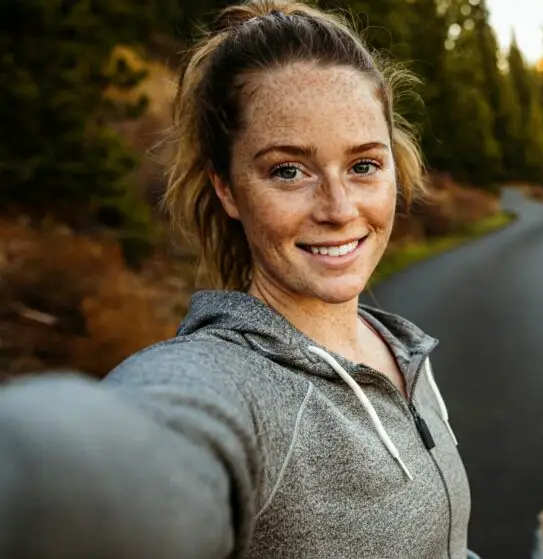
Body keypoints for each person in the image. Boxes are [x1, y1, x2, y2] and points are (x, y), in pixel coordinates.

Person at [0, 1, 478, 557]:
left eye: (363, 165)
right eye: (288, 171)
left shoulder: (398, 345)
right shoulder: (235, 383)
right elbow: (140, 445)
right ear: (226, 188)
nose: (339, 208)